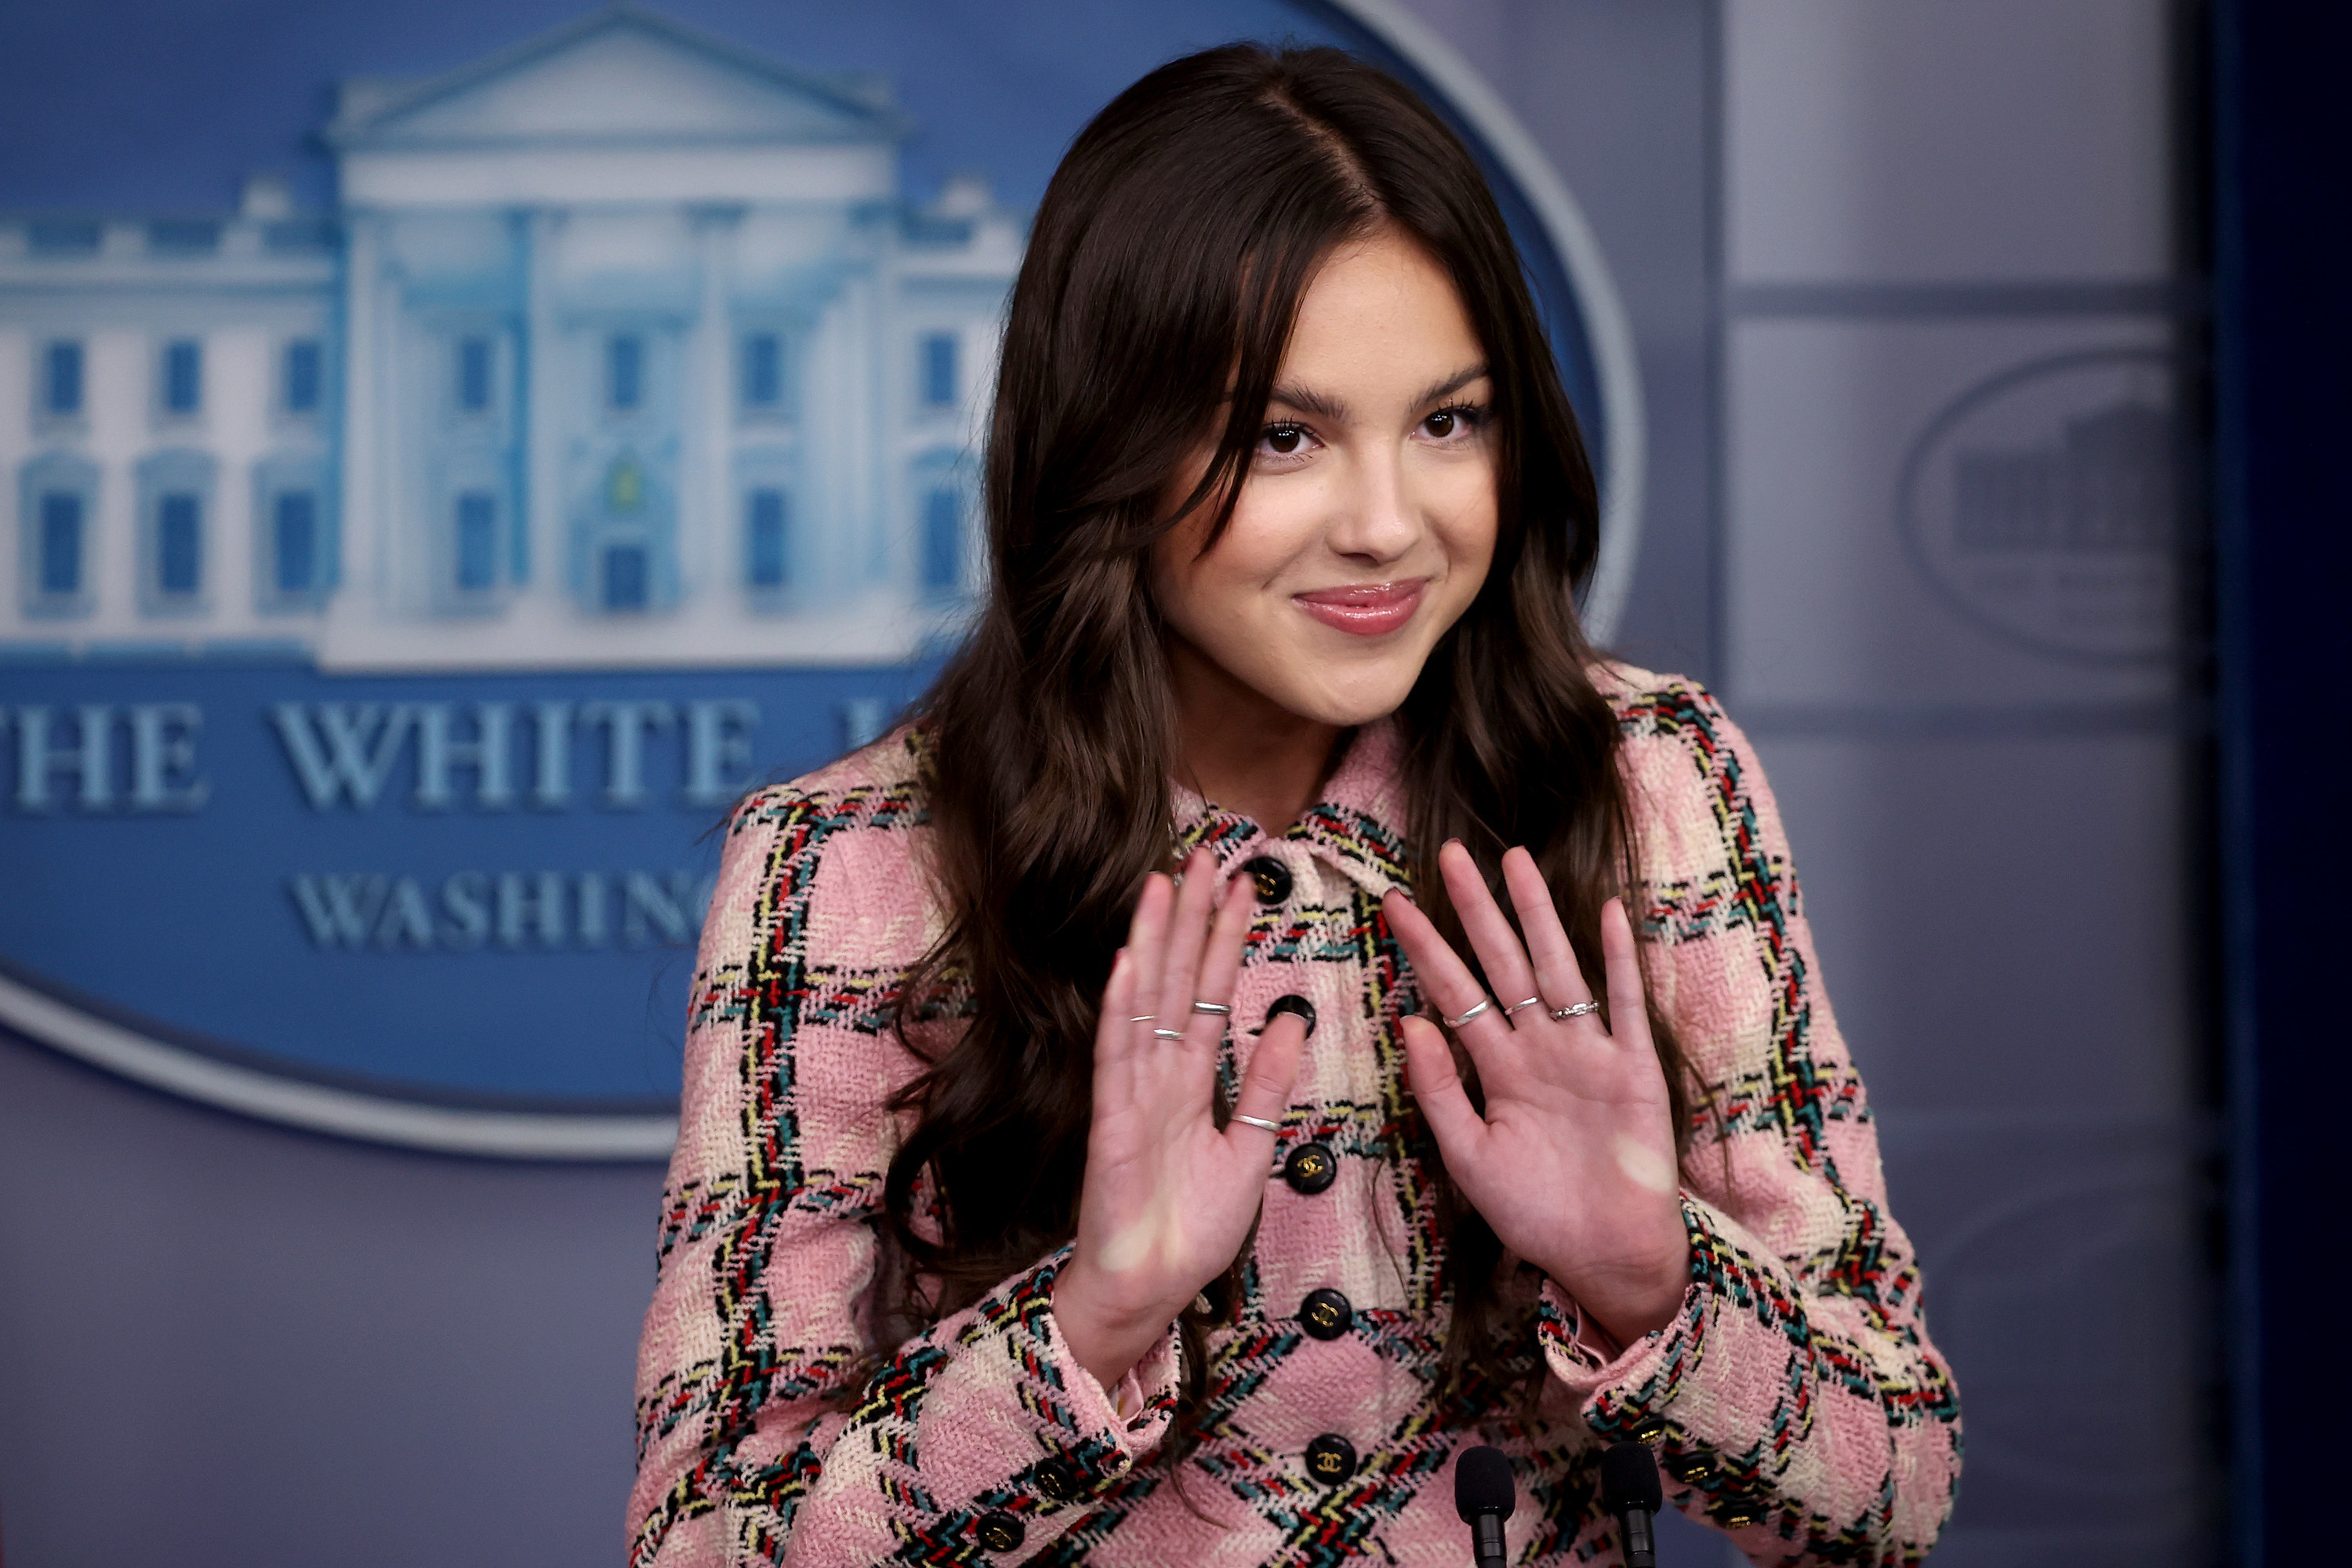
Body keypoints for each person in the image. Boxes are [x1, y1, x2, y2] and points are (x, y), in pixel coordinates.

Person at [629, 43, 1958, 1567]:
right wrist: (1088, 1323)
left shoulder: (1648, 777)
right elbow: (705, 1546)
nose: (1391, 523)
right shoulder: (845, 871)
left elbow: (1894, 1495)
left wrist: (1656, 1283)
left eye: (1450, 421)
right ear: (1108, 447)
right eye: (1286, 436)